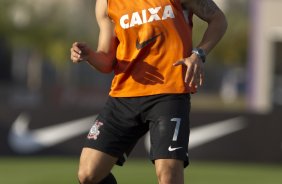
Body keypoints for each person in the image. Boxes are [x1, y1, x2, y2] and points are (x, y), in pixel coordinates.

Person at [70, 0, 227, 183]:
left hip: (169, 92)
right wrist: (90, 56)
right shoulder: (105, 3)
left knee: (169, 176)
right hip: (123, 95)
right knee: (88, 175)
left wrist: (198, 54)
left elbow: (218, 19)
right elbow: (107, 61)